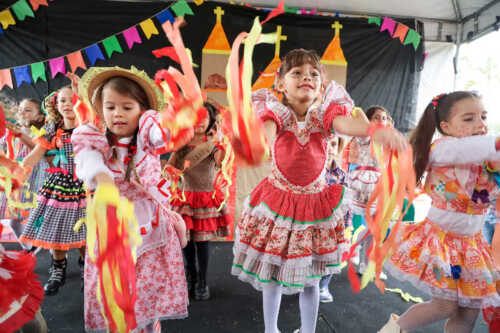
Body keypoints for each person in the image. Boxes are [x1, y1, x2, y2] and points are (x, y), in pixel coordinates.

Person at [231, 49, 408, 333]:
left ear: (322, 84)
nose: (307, 78)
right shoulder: (274, 112)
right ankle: (270, 329)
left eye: (314, 74)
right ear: (280, 84)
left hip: (316, 207)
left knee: (311, 278)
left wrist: (375, 131)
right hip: (278, 204)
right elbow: (266, 133)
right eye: (297, 73)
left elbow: (345, 124)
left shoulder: (324, 114)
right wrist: (256, 142)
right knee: (273, 276)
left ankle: (309, 329)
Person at [70, 67, 189, 332]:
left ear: (143, 110)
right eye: (110, 107)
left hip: (149, 224)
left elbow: (162, 136)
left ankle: (150, 326)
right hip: (113, 225)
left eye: (127, 107)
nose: (117, 114)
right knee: (117, 290)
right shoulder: (94, 139)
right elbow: (89, 163)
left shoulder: (147, 135)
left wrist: (178, 123)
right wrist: (103, 183)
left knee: (148, 290)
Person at [380, 92, 500, 333]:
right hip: (441, 244)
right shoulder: (444, 149)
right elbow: (474, 149)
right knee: (444, 307)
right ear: (445, 126)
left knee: (468, 313)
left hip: (472, 246)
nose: (480, 124)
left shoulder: (486, 159)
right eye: (469, 119)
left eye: (483, 117)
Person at [19, 87, 87, 296]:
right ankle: (58, 269)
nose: (67, 104)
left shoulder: (89, 127)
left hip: (85, 185)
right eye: (63, 100)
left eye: (72, 99)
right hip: (59, 185)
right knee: (55, 228)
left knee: (85, 232)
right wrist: (17, 172)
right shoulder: (52, 128)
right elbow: (36, 153)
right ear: (56, 106)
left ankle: (87, 267)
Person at [169, 102, 230, 301]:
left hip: (205, 198)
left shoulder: (212, 144)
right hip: (185, 198)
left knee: (202, 243)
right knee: (186, 242)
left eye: (204, 117)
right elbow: (169, 168)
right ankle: (190, 276)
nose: (200, 122)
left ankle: (202, 280)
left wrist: (220, 143)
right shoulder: (181, 143)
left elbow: (221, 162)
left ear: (211, 120)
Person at [345, 106, 390, 279]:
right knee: (366, 225)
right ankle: (353, 249)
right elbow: (359, 117)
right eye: (377, 117)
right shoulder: (366, 137)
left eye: (384, 118)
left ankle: (365, 263)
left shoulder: (387, 141)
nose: (381, 121)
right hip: (364, 183)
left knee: (376, 228)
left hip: (380, 184)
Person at [0, 98, 48, 220]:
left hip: (33, 172)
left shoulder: (40, 133)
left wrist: (20, 135)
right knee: (12, 199)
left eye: (27, 110)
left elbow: (40, 148)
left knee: (29, 200)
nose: (22, 113)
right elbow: (3, 147)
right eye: (20, 110)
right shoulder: (10, 131)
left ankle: (27, 223)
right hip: (16, 172)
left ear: (40, 117)